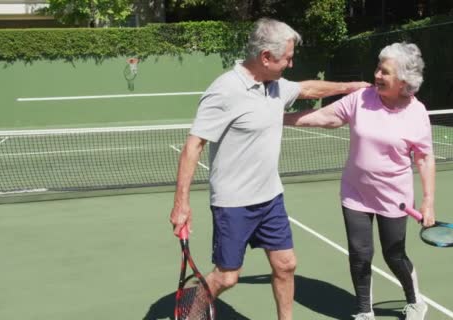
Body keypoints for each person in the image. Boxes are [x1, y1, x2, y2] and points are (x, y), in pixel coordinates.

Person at [169, 18, 370, 320]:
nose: (291, 64)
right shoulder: (224, 91)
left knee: (286, 265)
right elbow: (193, 147)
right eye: (287, 58)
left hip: (271, 199)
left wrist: (349, 88)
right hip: (233, 203)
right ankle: (190, 314)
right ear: (265, 57)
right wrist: (181, 204)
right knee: (226, 277)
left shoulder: (274, 86)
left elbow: (306, 89)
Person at [283, 42, 436, 320]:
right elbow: (326, 117)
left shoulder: (417, 113)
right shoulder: (361, 98)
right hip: (355, 193)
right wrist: (280, 118)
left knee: (394, 254)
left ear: (403, 81)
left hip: (395, 198)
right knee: (359, 254)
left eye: (385, 71)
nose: (377, 74)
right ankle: (365, 311)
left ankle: (416, 301)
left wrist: (428, 201)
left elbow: (424, 158)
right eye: (378, 68)